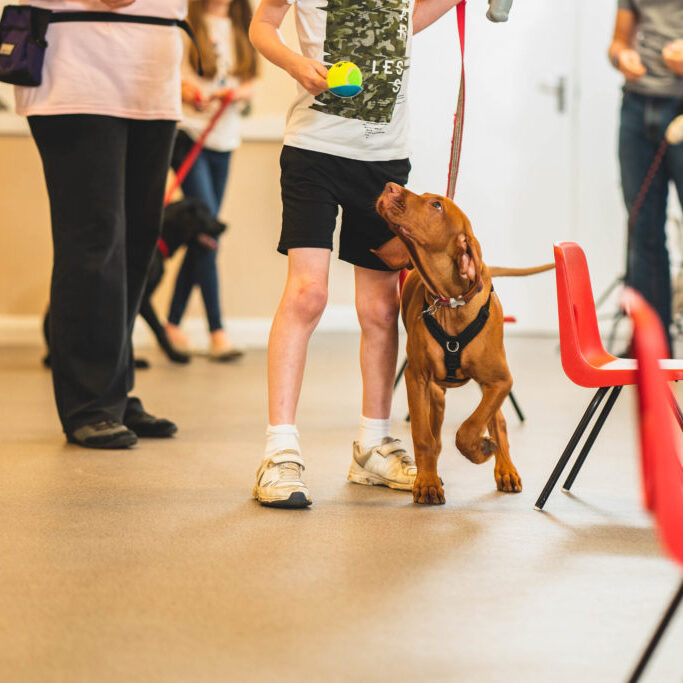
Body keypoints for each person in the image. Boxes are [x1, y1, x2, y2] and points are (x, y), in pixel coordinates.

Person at [249, 0, 465, 508]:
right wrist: (295, 64)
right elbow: (262, 25)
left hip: (385, 161)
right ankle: (279, 450)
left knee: (382, 308)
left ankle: (373, 444)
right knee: (308, 295)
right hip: (314, 153)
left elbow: (407, 21)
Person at [15, 0, 186, 448]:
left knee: (135, 244)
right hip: (77, 73)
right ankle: (88, 404)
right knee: (95, 242)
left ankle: (113, 392)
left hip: (153, 77)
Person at [164, 0, 257, 362]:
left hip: (225, 138)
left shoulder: (244, 24)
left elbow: (249, 83)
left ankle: (172, 323)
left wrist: (233, 94)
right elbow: (172, 76)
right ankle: (217, 332)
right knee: (208, 234)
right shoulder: (186, 19)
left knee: (201, 233)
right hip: (189, 136)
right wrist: (191, 93)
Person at [609, 0, 683, 355]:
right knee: (643, 232)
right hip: (637, 108)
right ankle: (652, 351)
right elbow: (618, 42)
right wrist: (622, 57)